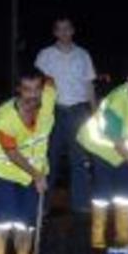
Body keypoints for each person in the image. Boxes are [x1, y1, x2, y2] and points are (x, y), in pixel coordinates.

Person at [77, 62, 128, 251]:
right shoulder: (115, 103)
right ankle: (97, 239)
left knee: (126, 194)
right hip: (103, 148)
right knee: (103, 194)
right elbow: (116, 141)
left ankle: (123, 236)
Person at [0, 68, 56, 254]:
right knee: (3, 217)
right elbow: (12, 153)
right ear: (18, 90)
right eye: (27, 89)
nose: (32, 95)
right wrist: (37, 175)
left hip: (32, 172)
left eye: (37, 89)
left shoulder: (49, 96)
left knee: (27, 218)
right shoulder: (4, 118)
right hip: (3, 170)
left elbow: (51, 80)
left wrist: (36, 174)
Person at [35, 16, 98, 214]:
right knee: (49, 158)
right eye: (60, 29)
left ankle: (80, 203)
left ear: (73, 31)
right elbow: (36, 85)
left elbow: (89, 85)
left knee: (79, 158)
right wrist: (34, 111)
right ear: (55, 33)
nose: (64, 32)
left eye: (67, 29)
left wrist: (95, 112)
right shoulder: (45, 55)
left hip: (78, 111)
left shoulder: (83, 55)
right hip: (52, 111)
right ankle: (42, 204)